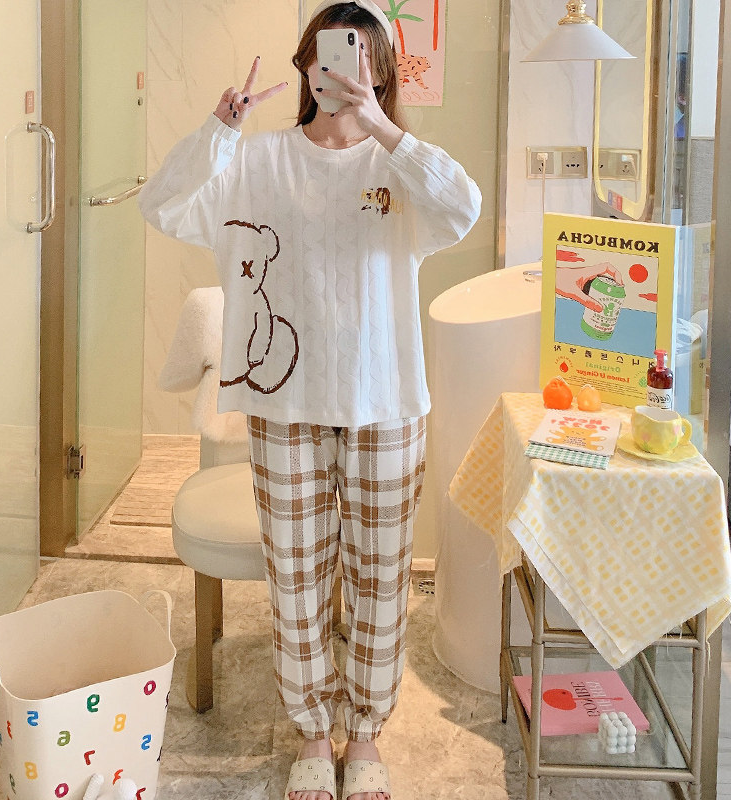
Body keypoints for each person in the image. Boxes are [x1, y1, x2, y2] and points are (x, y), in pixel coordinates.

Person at [139, 2, 481, 798]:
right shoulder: (257, 161)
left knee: (381, 575)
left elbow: (461, 207)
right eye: (326, 55)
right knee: (296, 576)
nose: (340, 70)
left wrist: (384, 128)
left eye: (360, 58)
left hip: (386, 399)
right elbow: (164, 205)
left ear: (381, 71)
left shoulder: (400, 168)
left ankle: (364, 734)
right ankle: (312, 731)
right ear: (304, 64)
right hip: (286, 406)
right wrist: (219, 130)